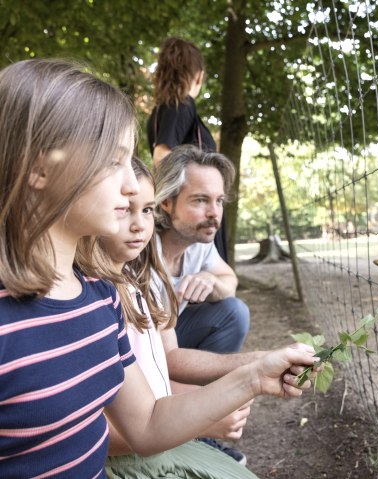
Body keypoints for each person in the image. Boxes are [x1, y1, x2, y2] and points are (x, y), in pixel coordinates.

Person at [0, 58, 318, 478]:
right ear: (40, 168)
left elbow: (147, 424)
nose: (132, 184)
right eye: (113, 161)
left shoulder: (99, 298)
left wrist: (255, 376)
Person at [88, 157, 254, 477]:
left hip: (152, 429)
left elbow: (165, 362)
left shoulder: (141, 283)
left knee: (234, 310)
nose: (138, 224)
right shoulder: (101, 294)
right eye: (123, 209)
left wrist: (246, 377)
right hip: (130, 453)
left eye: (145, 210)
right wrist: (201, 417)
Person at [154, 144, 249, 355]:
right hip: (137, 346)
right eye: (200, 200)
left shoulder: (199, 243)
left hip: (171, 331)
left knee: (235, 311)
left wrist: (211, 279)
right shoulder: (140, 247)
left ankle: (202, 385)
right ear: (166, 202)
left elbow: (229, 282)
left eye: (219, 201)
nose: (214, 213)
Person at [147, 37, 228, 263]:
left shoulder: (159, 111)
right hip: (193, 215)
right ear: (199, 75)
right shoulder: (181, 105)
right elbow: (162, 158)